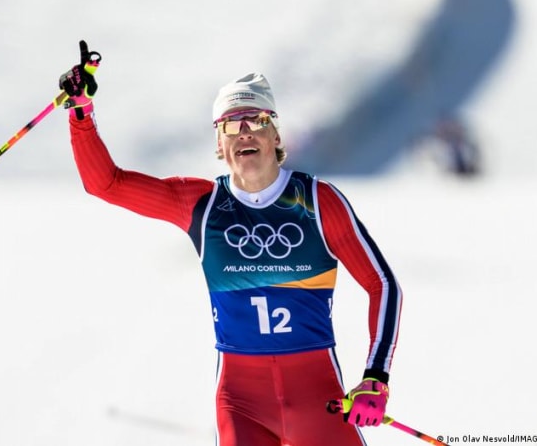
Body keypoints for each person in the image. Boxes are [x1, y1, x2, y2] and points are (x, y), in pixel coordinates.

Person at [60, 40, 402, 446]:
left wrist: (375, 377)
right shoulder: (200, 205)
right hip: (242, 408)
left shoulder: (317, 201)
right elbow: (106, 183)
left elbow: (382, 284)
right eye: (230, 125)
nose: (244, 132)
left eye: (256, 120)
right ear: (219, 145)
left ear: (276, 135)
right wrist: (81, 113)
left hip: (319, 402)